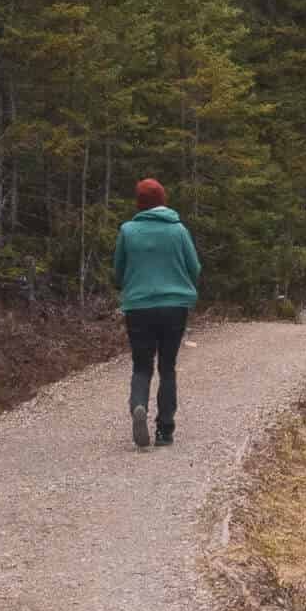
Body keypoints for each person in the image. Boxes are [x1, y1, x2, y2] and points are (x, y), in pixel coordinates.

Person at [113, 178, 200, 449]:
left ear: (139, 203)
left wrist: (129, 287)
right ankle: (165, 430)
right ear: (163, 200)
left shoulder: (127, 231)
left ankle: (139, 405)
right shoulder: (178, 230)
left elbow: (118, 271)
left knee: (141, 366)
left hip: (138, 306)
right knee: (167, 367)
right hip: (174, 306)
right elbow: (195, 267)